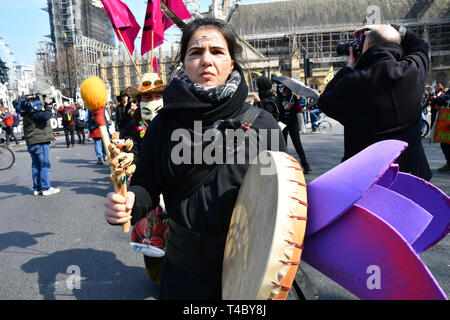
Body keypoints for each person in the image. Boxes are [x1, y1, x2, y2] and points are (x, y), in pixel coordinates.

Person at [104, 17, 286, 299]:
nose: (206, 60)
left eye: (217, 52)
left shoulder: (263, 124)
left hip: (248, 272)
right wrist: (130, 202)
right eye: (195, 53)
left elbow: (280, 195)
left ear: (232, 62)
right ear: (184, 64)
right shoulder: (164, 124)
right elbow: (147, 185)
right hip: (184, 274)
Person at [318, 24, 432, 181]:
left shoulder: (352, 81)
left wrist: (348, 67)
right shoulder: (413, 70)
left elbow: (324, 101)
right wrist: (391, 27)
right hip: (413, 175)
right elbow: (420, 45)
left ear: (367, 45)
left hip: (369, 177)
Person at [20, 95, 60, 196]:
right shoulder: (34, 113)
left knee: (36, 166)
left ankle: (37, 188)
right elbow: (46, 116)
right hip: (40, 142)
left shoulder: (26, 113)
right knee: (44, 165)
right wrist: (49, 106)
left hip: (32, 143)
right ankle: (46, 188)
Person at [276, 84, 311, 173]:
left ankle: (306, 165)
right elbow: (277, 111)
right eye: (282, 91)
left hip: (292, 123)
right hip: (282, 123)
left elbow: (298, 110)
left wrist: (292, 106)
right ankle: (284, 166)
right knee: (283, 145)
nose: (284, 93)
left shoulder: (293, 97)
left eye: (285, 91)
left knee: (297, 144)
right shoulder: (278, 98)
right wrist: (283, 108)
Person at [431, 88, 450, 172]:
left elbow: (444, 99)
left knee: (445, 144)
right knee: (445, 143)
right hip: (447, 119)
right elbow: (444, 98)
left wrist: (436, 100)